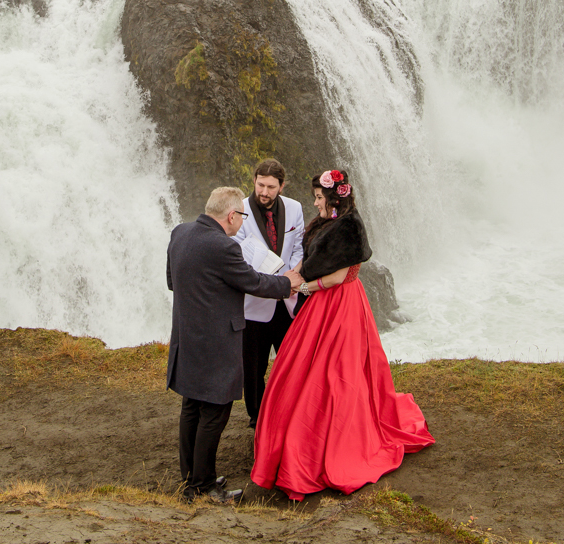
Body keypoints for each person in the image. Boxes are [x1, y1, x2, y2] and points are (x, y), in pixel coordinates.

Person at [249, 169, 433, 500]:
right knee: (309, 366)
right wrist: (292, 277)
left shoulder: (349, 228)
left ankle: (325, 436)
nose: (315, 203)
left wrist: (302, 287)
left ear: (334, 200)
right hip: (323, 304)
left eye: (319, 198)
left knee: (335, 371)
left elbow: (337, 277)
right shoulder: (328, 222)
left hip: (340, 304)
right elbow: (311, 261)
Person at [167, 186, 303, 503]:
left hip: (187, 337)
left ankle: (190, 480)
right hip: (216, 343)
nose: (243, 222)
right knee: (214, 413)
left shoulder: (180, 232)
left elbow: (173, 281)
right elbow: (252, 282)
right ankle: (204, 487)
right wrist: (287, 283)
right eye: (242, 216)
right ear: (231, 216)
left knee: (191, 409)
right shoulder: (224, 246)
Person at [233, 158, 307, 428]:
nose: (264, 192)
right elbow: (237, 254)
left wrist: (292, 276)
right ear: (254, 181)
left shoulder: (295, 208)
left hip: (288, 301)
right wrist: (273, 283)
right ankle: (258, 417)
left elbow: (299, 246)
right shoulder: (238, 210)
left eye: (271, 187)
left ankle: (291, 411)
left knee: (292, 363)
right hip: (254, 304)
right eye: (260, 185)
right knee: (253, 368)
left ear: (282, 186)